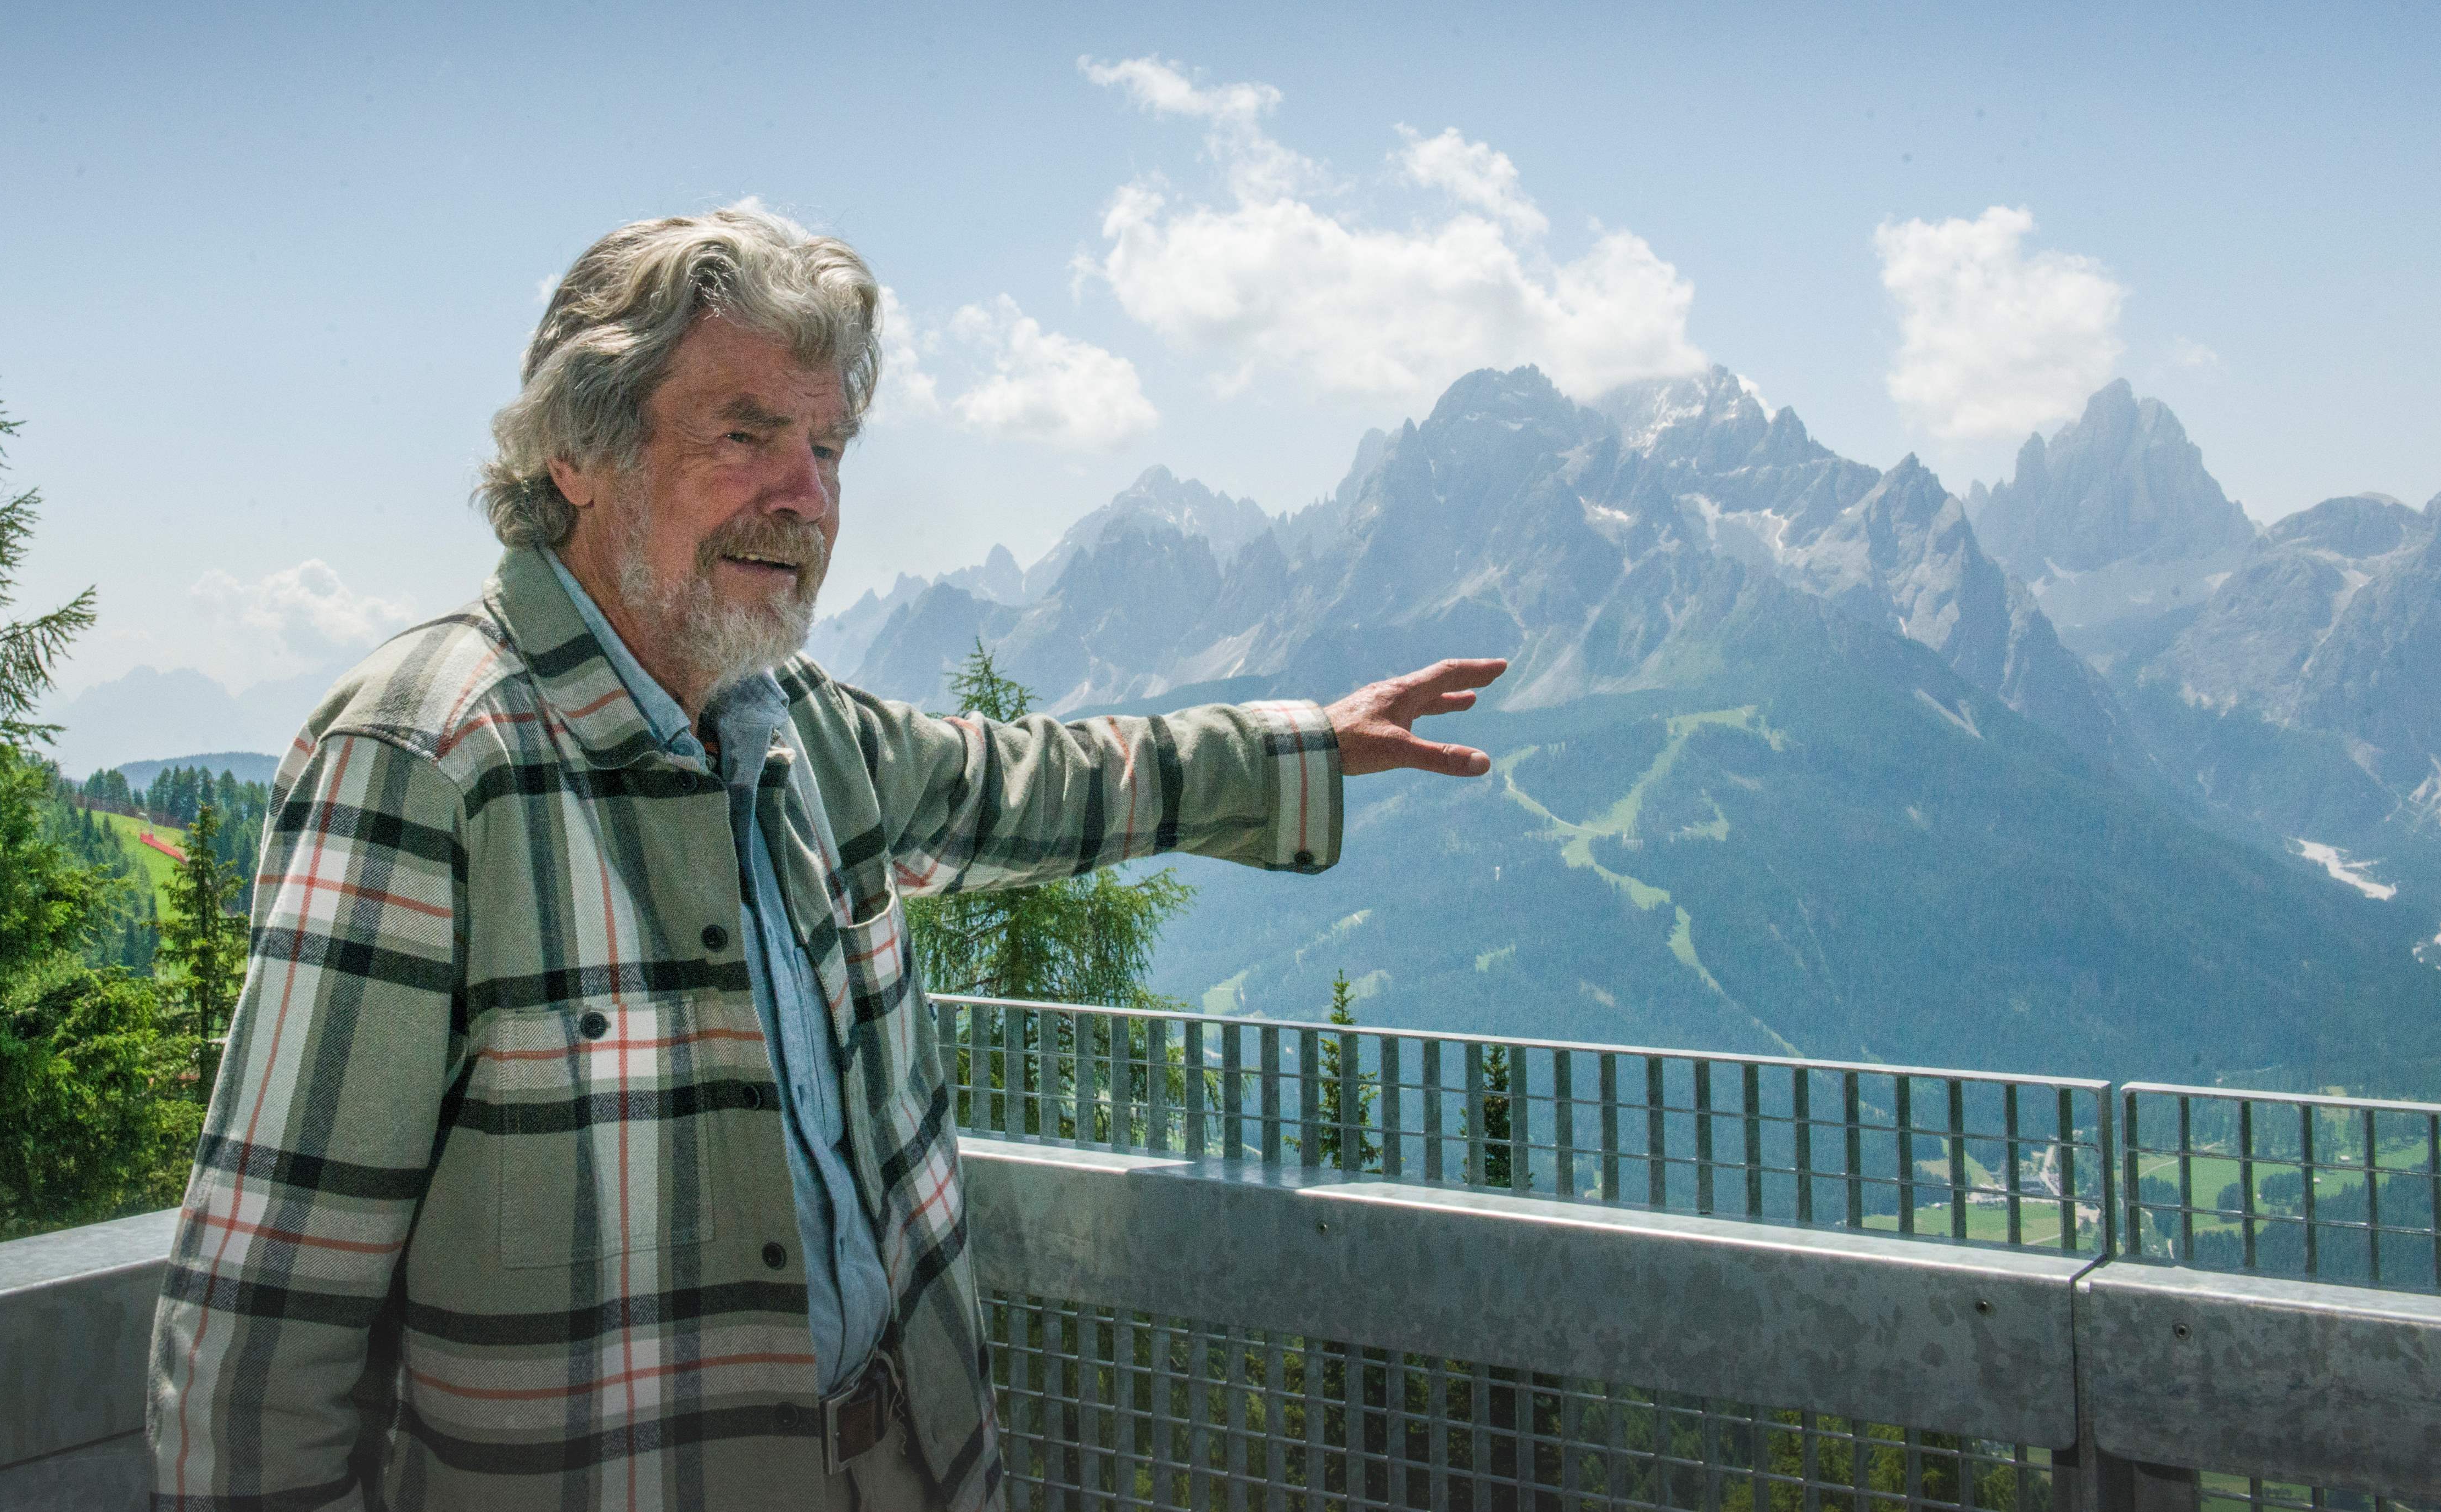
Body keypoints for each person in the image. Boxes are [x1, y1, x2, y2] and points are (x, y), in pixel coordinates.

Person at [146, 208, 1503, 1510]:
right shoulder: (426, 760)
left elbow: (1036, 786)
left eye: (830, 448)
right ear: (578, 451)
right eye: (747, 436)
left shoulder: (792, 727)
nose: (807, 498)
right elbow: (264, 1321)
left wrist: (1303, 746)